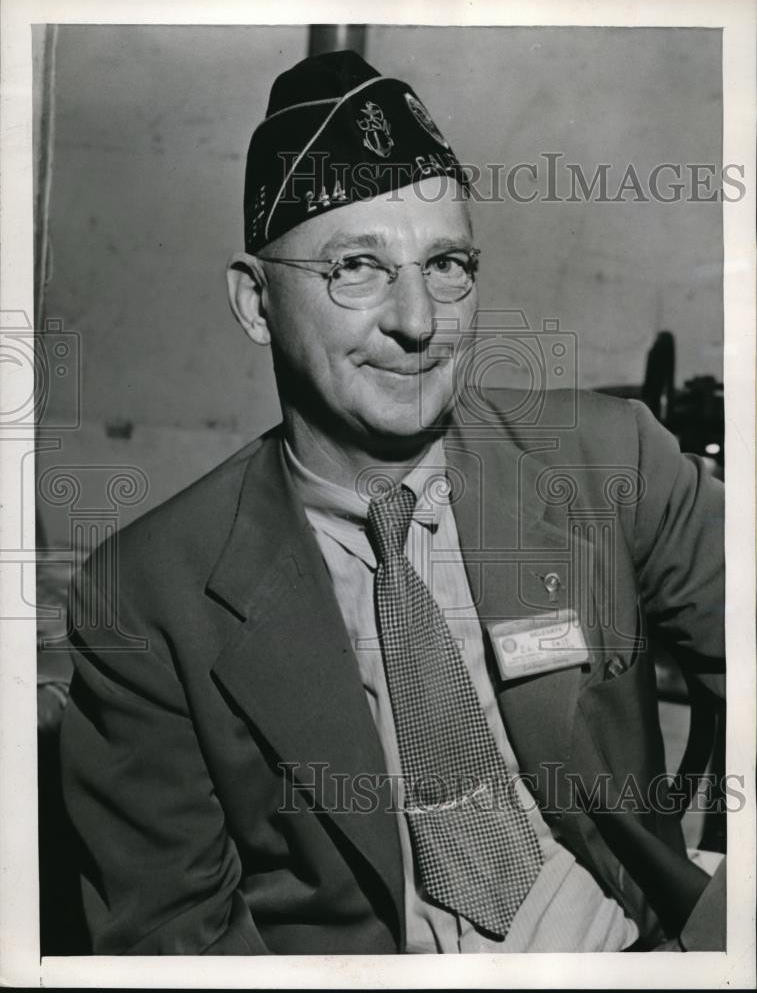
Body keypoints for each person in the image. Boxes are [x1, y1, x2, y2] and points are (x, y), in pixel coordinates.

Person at [60, 50, 725, 955]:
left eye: (446, 263)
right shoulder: (149, 594)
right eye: (357, 269)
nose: (418, 321)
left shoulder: (613, 462)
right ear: (254, 302)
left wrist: (718, 937)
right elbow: (172, 940)